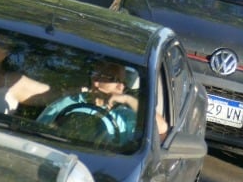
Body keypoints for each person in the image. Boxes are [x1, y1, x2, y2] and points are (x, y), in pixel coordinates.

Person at [37, 59, 165, 144]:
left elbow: (161, 128)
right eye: (115, 80)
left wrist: (128, 99)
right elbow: (39, 132)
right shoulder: (68, 103)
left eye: (123, 82)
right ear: (96, 80)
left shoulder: (125, 115)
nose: (121, 87)